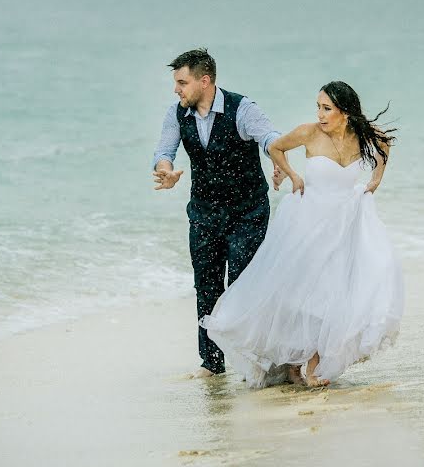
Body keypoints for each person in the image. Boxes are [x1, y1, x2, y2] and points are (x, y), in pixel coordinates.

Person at [201, 81, 403, 387]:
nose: (320, 114)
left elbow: (384, 148)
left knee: (334, 293)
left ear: (344, 112)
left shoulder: (362, 135)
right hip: (307, 220)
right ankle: (295, 366)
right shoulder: (309, 132)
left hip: (345, 222)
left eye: (327, 108)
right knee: (301, 293)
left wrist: (375, 181)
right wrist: (293, 175)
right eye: (318, 107)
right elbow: (275, 147)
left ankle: (311, 366)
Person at [151, 48, 283, 378]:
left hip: (247, 212)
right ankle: (212, 362)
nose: (176, 90)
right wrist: (166, 170)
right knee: (206, 285)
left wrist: (279, 162)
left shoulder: (241, 108)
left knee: (243, 284)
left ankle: (255, 359)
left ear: (204, 81)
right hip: (204, 213)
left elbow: (269, 137)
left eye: (182, 82)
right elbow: (164, 150)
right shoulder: (177, 114)